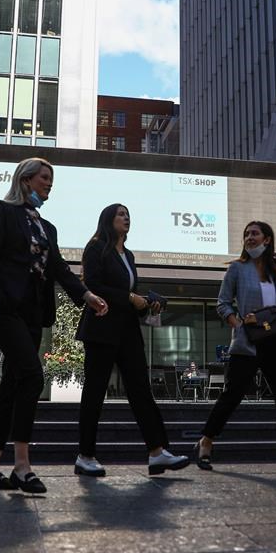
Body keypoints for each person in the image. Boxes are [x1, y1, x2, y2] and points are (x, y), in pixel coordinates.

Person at [0, 157, 108, 494]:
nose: (49, 183)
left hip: (34, 314)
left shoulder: (48, 228)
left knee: (11, 389)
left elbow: (60, 270)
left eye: (52, 179)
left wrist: (87, 295)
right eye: (44, 177)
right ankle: (22, 466)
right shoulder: (2, 213)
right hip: (5, 309)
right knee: (33, 376)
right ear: (25, 179)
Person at [74, 204, 190, 477]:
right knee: (95, 392)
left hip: (127, 330)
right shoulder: (96, 248)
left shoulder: (128, 255)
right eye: (120, 214)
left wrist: (146, 304)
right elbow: (92, 285)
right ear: (108, 220)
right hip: (101, 330)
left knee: (141, 389)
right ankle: (85, 455)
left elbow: (128, 292)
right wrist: (128, 298)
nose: (126, 218)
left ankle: (157, 452)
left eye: (128, 215)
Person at [195, 221, 276, 475]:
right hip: (249, 342)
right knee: (232, 395)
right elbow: (222, 303)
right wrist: (238, 323)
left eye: (255, 233)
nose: (249, 238)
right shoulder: (237, 270)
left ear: (267, 240)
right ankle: (206, 440)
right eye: (246, 234)